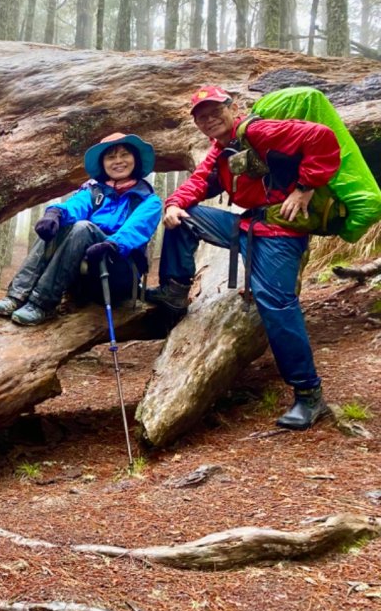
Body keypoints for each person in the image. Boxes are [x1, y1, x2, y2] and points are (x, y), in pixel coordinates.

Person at [146, 85, 341, 431]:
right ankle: (175, 291)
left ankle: (309, 395)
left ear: (232, 107)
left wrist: (305, 187)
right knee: (182, 216)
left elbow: (322, 138)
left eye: (214, 112)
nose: (209, 120)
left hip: (281, 231)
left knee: (275, 302)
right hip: (247, 224)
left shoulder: (257, 130)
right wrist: (174, 203)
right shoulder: (221, 150)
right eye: (201, 117)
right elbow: (198, 183)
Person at [0, 132, 161, 326]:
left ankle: (41, 303)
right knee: (59, 224)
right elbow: (75, 206)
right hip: (83, 271)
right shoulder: (94, 191)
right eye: (111, 156)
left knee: (82, 228)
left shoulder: (148, 200)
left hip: (118, 274)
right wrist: (54, 214)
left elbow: (135, 230)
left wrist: (112, 244)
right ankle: (17, 295)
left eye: (124, 155)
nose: (118, 161)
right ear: (103, 163)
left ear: (135, 160)